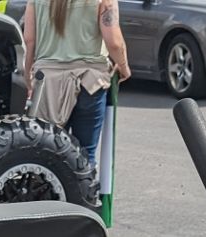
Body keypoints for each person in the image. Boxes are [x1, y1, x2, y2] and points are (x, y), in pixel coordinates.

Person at [22, 0, 131, 167]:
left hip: (48, 83)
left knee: (46, 153)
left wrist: (28, 76)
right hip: (89, 82)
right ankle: (85, 192)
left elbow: (29, 40)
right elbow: (114, 42)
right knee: (85, 155)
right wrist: (124, 67)